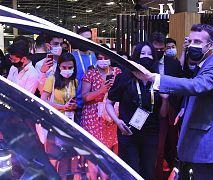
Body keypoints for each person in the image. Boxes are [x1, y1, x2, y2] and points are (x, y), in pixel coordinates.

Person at [133, 24, 213, 180]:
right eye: (190, 41)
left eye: (197, 42)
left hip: (206, 144)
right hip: (196, 142)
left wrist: (154, 78)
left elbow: (195, 86)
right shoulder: (202, 65)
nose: (192, 45)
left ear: (211, 45)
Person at [106, 41, 169, 180]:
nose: (146, 57)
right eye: (142, 54)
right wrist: (117, 121)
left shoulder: (157, 80)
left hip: (151, 132)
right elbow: (109, 103)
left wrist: (165, 99)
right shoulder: (124, 77)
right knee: (131, 170)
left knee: (148, 171)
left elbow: (163, 114)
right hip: (128, 131)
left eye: (149, 54)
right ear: (135, 57)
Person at [81, 51, 122, 180]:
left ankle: (107, 177)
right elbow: (85, 97)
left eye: (106, 58)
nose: (103, 60)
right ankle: (92, 177)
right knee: (93, 150)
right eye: (100, 58)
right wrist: (101, 90)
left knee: (109, 150)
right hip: (92, 115)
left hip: (110, 115)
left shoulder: (117, 72)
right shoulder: (91, 73)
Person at [149, 32, 183, 178]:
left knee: (173, 146)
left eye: (161, 49)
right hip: (151, 111)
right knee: (157, 148)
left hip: (171, 110)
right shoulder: (146, 63)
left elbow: (183, 85)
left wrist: (180, 108)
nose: (159, 52)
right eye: (155, 49)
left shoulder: (173, 63)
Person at [72, 27, 97, 122]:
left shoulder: (95, 56)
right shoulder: (72, 56)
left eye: (89, 39)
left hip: (92, 103)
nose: (87, 42)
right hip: (76, 104)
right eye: (83, 39)